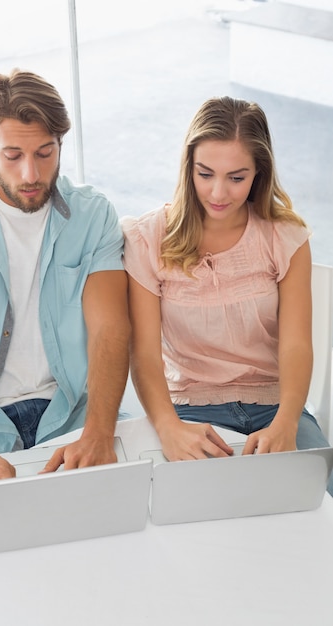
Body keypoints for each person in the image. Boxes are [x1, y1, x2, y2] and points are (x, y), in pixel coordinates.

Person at [0, 68, 130, 597]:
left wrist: (101, 431)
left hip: (75, 419)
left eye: (46, 152)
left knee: (101, 578)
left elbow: (110, 332)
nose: (31, 172)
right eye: (13, 155)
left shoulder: (94, 216)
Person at [122, 95, 333, 495]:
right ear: (188, 168)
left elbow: (295, 344)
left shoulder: (285, 236)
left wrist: (287, 423)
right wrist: (168, 428)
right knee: (194, 511)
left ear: (259, 173)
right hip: (190, 411)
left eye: (237, 178)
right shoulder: (147, 238)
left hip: (276, 404)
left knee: (316, 500)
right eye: (205, 174)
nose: (218, 193)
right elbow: (144, 354)